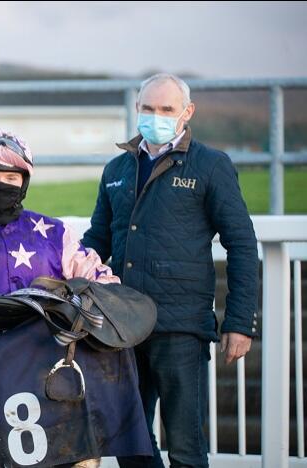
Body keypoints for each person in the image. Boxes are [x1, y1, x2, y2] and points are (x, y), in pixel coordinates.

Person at [0, 130, 152, 467]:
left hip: (59, 368)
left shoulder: (55, 233)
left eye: (10, 176)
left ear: (24, 181)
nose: (0, 183)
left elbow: (103, 283)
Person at [82, 73, 259, 468]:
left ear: (187, 113)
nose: (156, 116)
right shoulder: (117, 169)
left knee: (185, 448)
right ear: (137, 109)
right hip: (122, 329)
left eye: (166, 109)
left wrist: (240, 321)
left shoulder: (211, 166)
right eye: (148, 108)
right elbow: (96, 242)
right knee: (130, 446)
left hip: (181, 329)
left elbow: (242, 243)